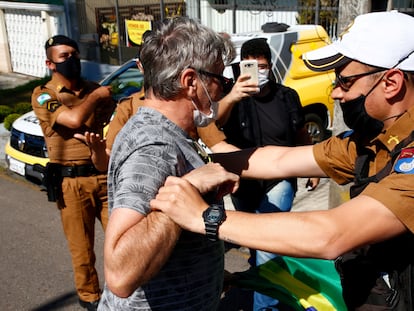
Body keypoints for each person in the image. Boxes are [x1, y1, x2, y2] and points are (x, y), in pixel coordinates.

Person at [150, 11, 414, 310]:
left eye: (345, 81)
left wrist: (204, 217)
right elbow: (279, 160)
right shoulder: (372, 140)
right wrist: (198, 159)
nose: (336, 93)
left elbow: (331, 234)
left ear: (391, 82)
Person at [98, 17, 240, 310]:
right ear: (190, 82)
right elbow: (120, 274)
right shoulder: (155, 144)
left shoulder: (166, 132)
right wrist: (189, 187)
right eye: (220, 80)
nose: (222, 90)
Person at [203, 37, 320, 310]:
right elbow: (210, 122)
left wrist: (315, 168)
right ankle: (266, 283)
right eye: (250, 65)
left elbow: (301, 132)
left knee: (267, 244)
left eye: (263, 65)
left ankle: (264, 307)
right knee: (255, 243)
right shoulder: (230, 95)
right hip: (243, 183)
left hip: (280, 180)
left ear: (271, 65)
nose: (258, 71)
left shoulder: (287, 96)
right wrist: (232, 96)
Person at [31, 35, 116, 310]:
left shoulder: (92, 89)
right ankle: (90, 297)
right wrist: (98, 96)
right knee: (82, 249)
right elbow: (72, 119)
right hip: (71, 182)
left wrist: (96, 97)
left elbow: (112, 125)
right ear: (50, 63)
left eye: (75, 54)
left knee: (122, 240)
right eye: (64, 56)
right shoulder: (44, 94)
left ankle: (122, 293)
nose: (72, 60)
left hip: (104, 175)